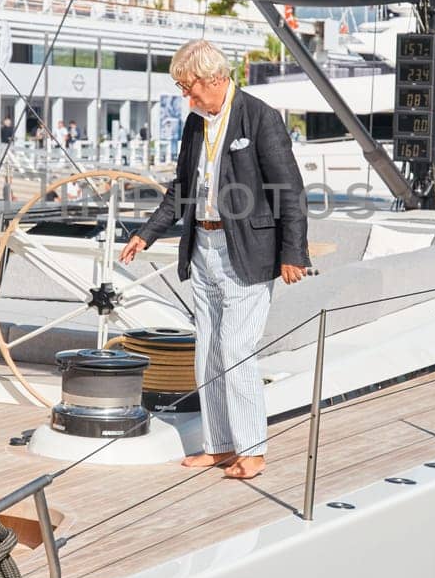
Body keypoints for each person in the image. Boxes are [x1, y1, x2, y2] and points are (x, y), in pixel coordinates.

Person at [120, 40, 308, 481]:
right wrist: (145, 235)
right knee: (207, 351)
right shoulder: (193, 123)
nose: (187, 97)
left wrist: (292, 253)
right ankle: (220, 445)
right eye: (182, 89)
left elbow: (290, 190)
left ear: (217, 79)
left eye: (190, 88)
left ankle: (254, 450)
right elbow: (181, 190)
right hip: (202, 249)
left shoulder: (260, 118)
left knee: (236, 349)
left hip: (247, 250)